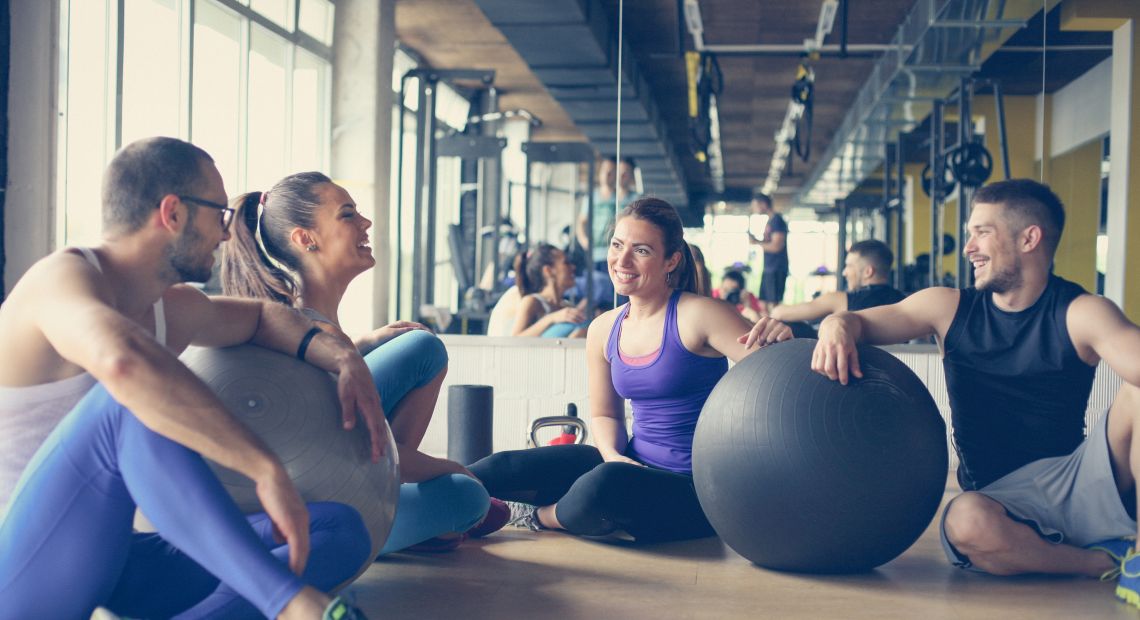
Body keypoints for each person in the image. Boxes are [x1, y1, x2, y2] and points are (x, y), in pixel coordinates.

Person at [0, 138, 375, 618]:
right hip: (19, 573)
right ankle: (289, 604)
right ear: (173, 213)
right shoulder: (59, 281)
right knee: (125, 405)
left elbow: (262, 317)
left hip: (111, 559)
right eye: (218, 214)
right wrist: (262, 467)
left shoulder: (166, 308)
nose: (225, 235)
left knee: (336, 531)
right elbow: (123, 363)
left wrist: (344, 355)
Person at [781, 179, 1140, 606]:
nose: (968, 247)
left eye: (982, 232)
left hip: (1077, 475)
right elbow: (864, 322)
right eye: (970, 233)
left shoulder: (1081, 311)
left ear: (1029, 238)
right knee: (966, 522)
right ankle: (1101, 562)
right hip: (997, 497)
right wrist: (836, 324)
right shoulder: (948, 307)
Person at [471, 198, 792, 543]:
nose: (622, 261)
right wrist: (612, 456)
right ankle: (430, 498)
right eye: (616, 245)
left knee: (602, 487)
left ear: (671, 260)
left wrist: (780, 340)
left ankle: (534, 517)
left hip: (694, 490)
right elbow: (606, 416)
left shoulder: (700, 314)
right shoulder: (603, 329)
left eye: (640, 250)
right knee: (503, 466)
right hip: (629, 466)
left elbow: (779, 374)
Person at [221, 171, 492, 554]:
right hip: (325, 508)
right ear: (305, 238)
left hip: (351, 474)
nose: (365, 222)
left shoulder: (314, 326)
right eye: (348, 214)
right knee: (468, 496)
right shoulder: (300, 334)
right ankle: (396, 491)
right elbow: (352, 452)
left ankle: (397, 484)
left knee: (421, 347)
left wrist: (361, 343)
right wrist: (454, 468)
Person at [769, 239, 905, 324]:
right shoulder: (905, 302)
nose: (844, 272)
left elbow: (779, 313)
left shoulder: (840, 300)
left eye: (849, 266)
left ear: (868, 272)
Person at [510, 243, 587, 338]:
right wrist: (552, 318)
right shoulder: (532, 301)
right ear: (548, 271)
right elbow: (515, 339)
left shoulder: (566, 307)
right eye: (566, 263)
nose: (573, 267)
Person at [747, 191, 788, 309]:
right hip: (769, 268)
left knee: (773, 305)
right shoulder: (770, 221)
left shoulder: (777, 220)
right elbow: (769, 243)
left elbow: (776, 246)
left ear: (763, 204)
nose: (754, 209)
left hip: (776, 268)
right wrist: (757, 241)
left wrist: (756, 243)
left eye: (755, 206)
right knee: (763, 304)